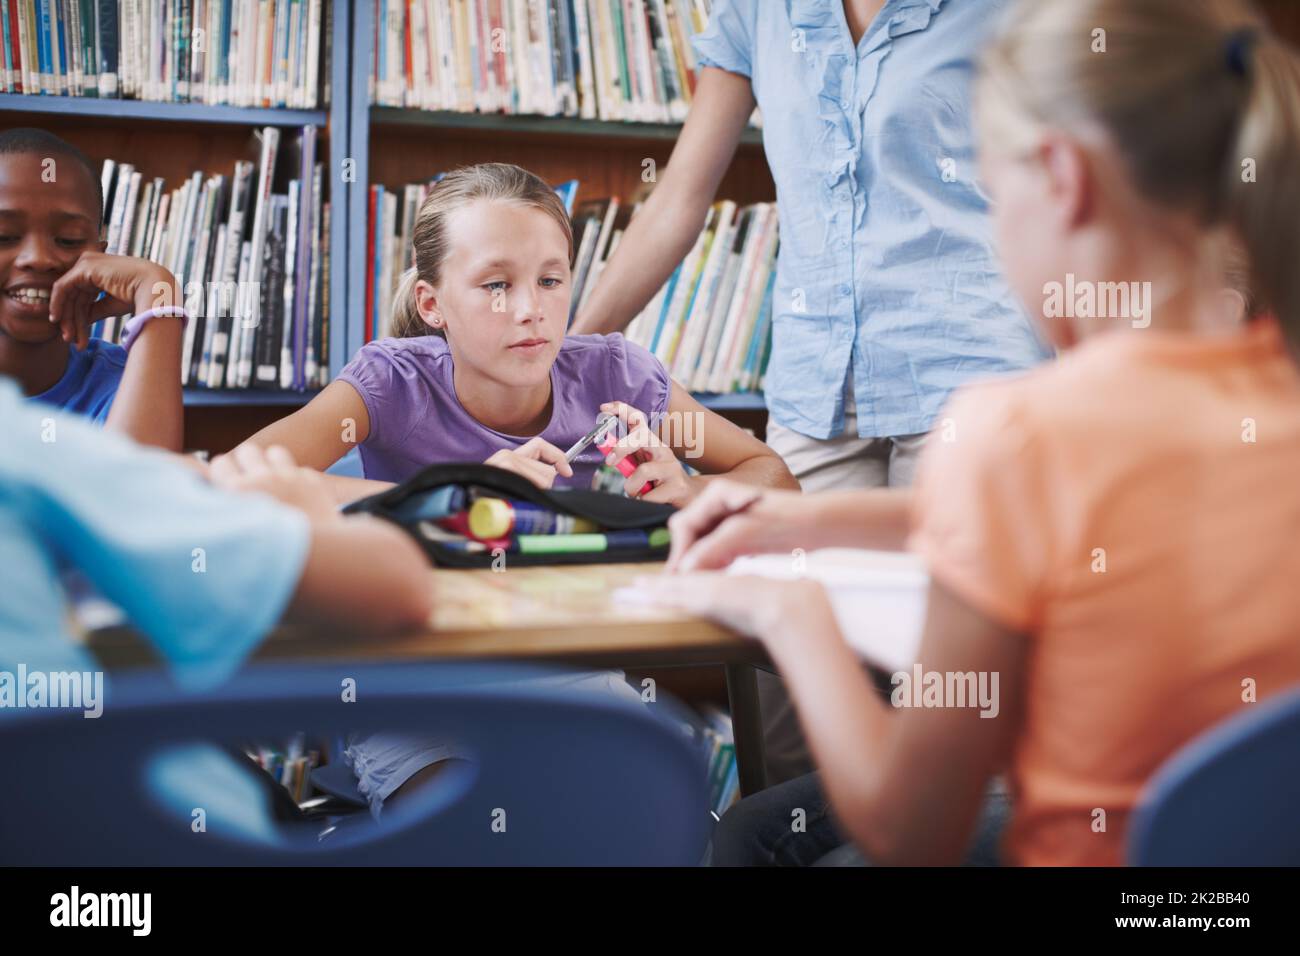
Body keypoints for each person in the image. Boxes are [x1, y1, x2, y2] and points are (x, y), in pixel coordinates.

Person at [640, 0, 1300, 865]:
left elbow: (911, 833)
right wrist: (803, 523)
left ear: (1059, 178)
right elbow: (1075, 525)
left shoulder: (1018, 430)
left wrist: (789, 611)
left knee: (756, 840)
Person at [237, 163, 797, 506]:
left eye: (551, 280)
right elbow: (238, 481)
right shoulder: (390, 383)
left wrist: (686, 494)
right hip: (421, 659)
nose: (532, 309)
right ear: (432, 305)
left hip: (569, 655)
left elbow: (774, 476)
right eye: (497, 284)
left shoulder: (617, 375)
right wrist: (449, 500)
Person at [0, 127, 184, 451]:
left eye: (69, 239)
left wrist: (158, 289)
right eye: (4, 236)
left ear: (100, 259)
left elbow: (140, 489)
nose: (39, 259)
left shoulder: (126, 388)